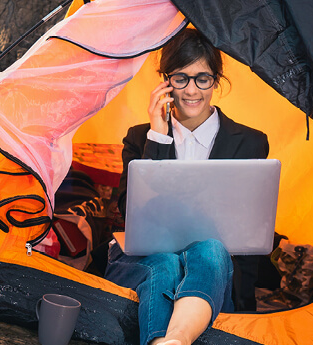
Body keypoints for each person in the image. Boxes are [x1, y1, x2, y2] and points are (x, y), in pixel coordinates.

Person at [105, 28, 270, 345]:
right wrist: (158, 137)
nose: (191, 90)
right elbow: (129, 212)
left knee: (210, 247)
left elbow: (249, 235)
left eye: (202, 78)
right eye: (181, 78)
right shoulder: (141, 137)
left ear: (216, 80)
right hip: (147, 262)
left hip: (209, 271)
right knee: (165, 262)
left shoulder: (250, 142)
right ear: (165, 81)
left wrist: (246, 309)